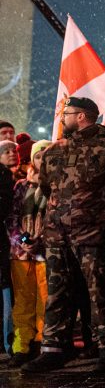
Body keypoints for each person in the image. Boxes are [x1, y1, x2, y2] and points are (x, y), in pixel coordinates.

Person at [23, 97, 105, 374]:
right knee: (57, 292)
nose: (62, 118)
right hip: (56, 234)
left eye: (67, 113)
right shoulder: (55, 150)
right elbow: (48, 189)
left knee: (99, 292)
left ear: (82, 116)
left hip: (93, 233)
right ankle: (53, 349)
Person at [7, 139, 51, 367]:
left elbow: (54, 219)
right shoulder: (21, 186)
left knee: (45, 301)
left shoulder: (54, 185)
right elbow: (13, 217)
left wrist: (40, 242)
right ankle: (21, 346)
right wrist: (23, 240)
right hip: (21, 254)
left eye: (45, 154)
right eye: (38, 155)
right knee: (23, 302)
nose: (41, 159)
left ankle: (42, 344)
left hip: (44, 253)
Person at [0, 139, 16, 354]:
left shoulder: (15, 185)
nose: (11, 153)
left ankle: (9, 342)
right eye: (6, 151)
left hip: (15, 251)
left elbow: (16, 227)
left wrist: (24, 243)